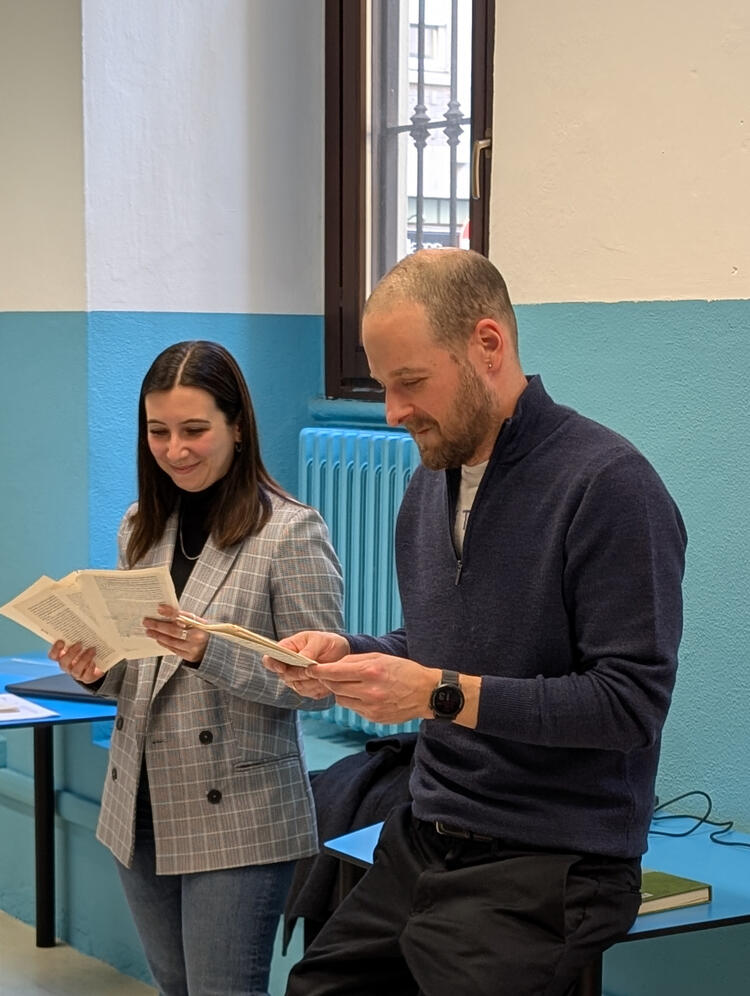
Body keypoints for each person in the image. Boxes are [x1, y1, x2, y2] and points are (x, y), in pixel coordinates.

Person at [263, 249, 688, 996]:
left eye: (410, 382)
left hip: (553, 860)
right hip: (425, 836)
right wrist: (350, 654)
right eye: (384, 386)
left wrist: (435, 692)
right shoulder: (429, 485)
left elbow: (629, 704)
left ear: (487, 344)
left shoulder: (609, 486)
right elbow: (437, 648)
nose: (394, 412)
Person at [48, 340, 344, 996]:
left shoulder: (291, 533)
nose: (175, 449)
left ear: (237, 427)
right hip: (139, 799)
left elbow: (318, 686)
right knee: (175, 987)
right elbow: (139, 668)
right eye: (158, 431)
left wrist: (209, 651)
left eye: (193, 430)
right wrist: (93, 669)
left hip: (239, 809)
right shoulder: (140, 526)